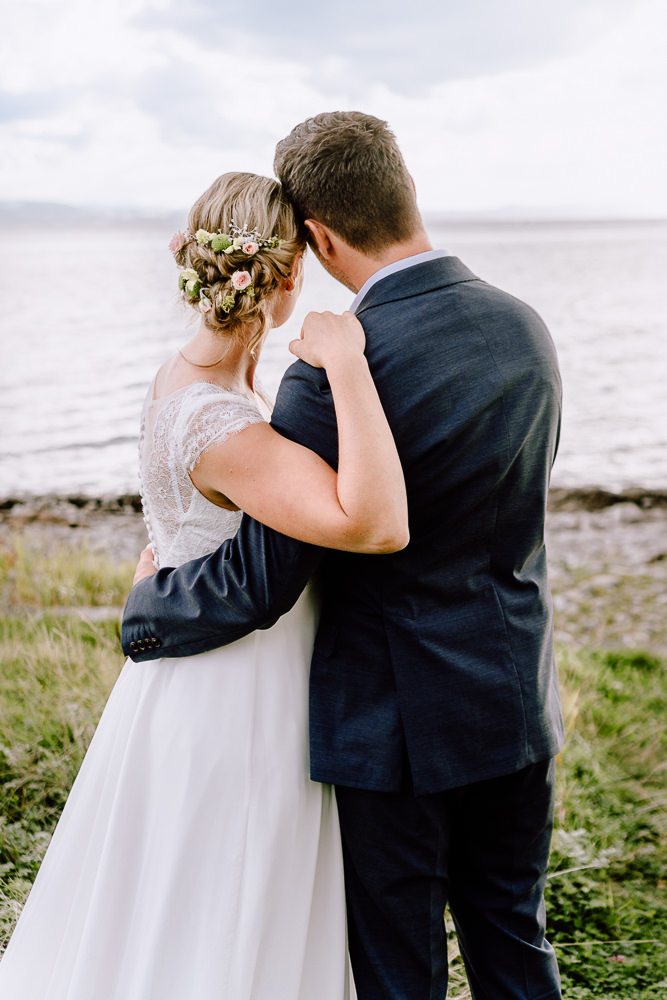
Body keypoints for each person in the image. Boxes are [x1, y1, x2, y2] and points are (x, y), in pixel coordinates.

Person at [123, 112, 566, 1000]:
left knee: (400, 971)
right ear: (404, 192)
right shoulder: (526, 329)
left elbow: (263, 578)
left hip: (391, 729)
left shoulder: (329, 372)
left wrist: (147, 608)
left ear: (318, 238)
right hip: (514, 697)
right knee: (513, 937)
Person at [0, 171, 410, 999]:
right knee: (227, 891)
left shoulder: (182, 380)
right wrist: (347, 364)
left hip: (183, 674)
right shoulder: (224, 425)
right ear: (288, 272)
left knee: (168, 888)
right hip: (237, 688)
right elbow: (374, 523)